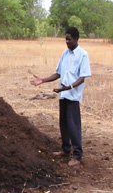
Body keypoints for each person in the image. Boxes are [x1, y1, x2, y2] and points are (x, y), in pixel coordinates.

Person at [30, 27, 91, 166]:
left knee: (73, 125)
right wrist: (43, 80)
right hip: (63, 94)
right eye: (66, 39)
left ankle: (77, 155)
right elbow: (58, 73)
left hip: (72, 95)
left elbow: (82, 78)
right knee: (63, 124)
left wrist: (69, 87)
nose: (67, 42)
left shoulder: (83, 55)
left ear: (76, 39)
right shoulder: (65, 54)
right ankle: (65, 149)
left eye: (69, 39)